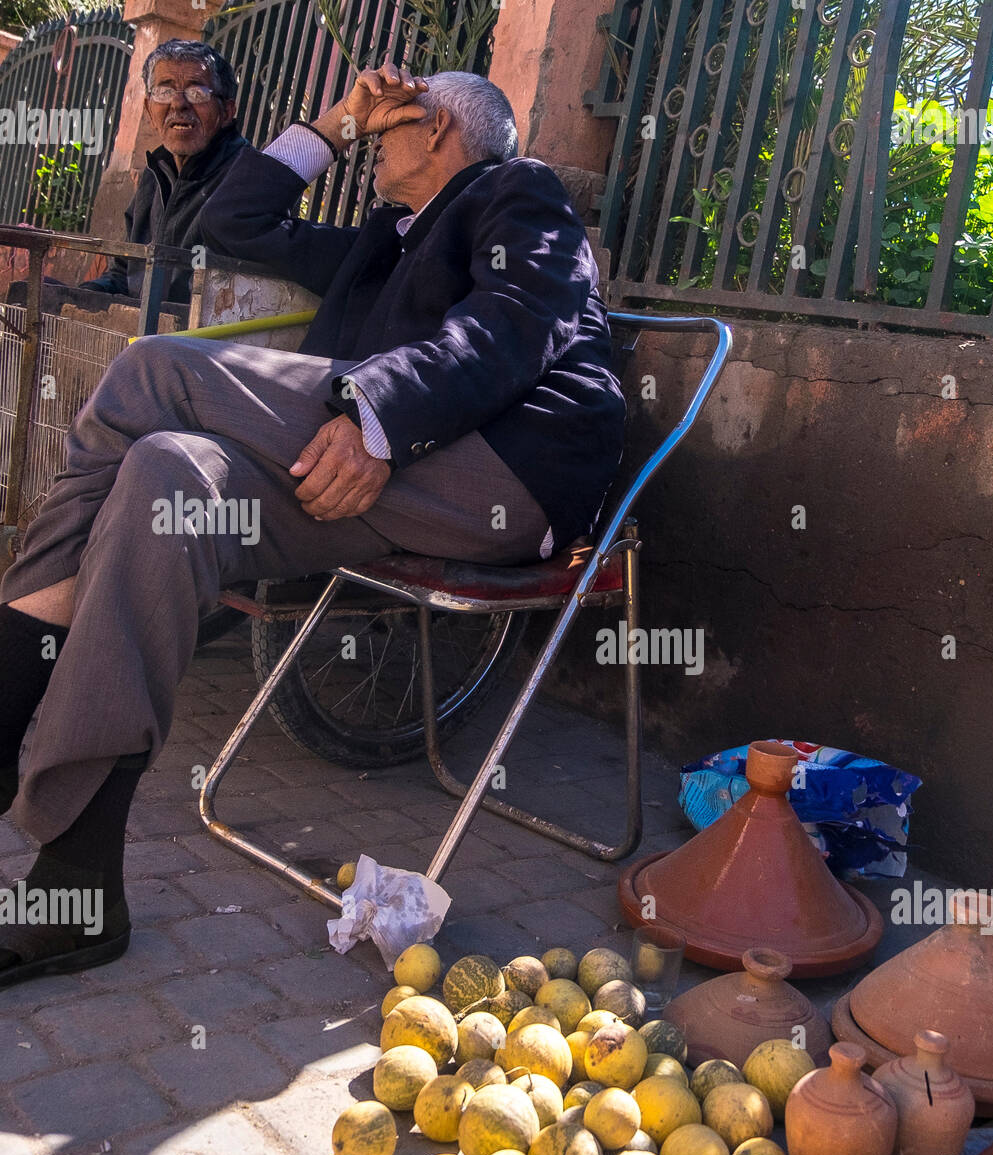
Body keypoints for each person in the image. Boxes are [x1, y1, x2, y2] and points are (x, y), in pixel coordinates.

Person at [0, 64, 625, 988]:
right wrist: (335, 121)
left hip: (502, 472)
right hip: (362, 485)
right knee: (164, 476)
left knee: (151, 371)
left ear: (442, 129)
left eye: (387, 127)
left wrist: (376, 409)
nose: (372, 143)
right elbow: (230, 222)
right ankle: (79, 887)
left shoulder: (515, 194)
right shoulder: (383, 243)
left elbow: (513, 324)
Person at [79, 39, 247, 302]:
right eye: (164, 92)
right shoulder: (156, 173)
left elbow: (230, 300)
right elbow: (126, 275)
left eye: (197, 93)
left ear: (227, 111)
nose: (178, 104)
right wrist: (82, 296)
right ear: (148, 108)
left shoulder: (248, 178)